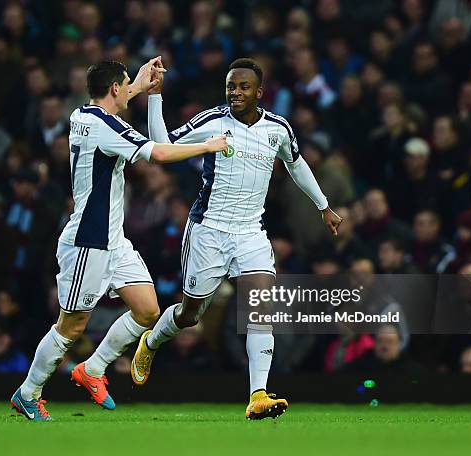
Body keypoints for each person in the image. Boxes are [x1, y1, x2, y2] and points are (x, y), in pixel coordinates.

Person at [10, 57, 228, 421]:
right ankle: (28, 393)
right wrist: (208, 146)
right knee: (71, 325)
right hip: (88, 242)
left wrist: (141, 83)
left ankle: (92, 370)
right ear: (114, 89)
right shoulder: (108, 127)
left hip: (114, 239)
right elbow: (157, 154)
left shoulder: (83, 115)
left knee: (147, 310)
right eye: (125, 84)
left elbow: (117, 100)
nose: (128, 90)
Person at [134, 58, 341, 419]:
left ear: (259, 92)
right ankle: (151, 341)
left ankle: (257, 394)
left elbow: (297, 164)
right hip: (208, 231)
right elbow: (162, 146)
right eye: (231, 86)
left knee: (261, 308)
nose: (236, 92)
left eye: (244, 87)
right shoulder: (212, 121)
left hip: (251, 232)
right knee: (190, 315)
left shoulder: (278, 129)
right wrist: (155, 96)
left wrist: (324, 206)